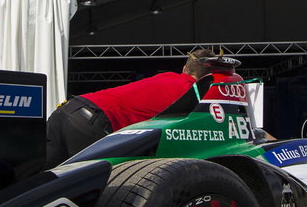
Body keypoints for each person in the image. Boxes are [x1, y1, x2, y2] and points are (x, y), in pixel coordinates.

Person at [47, 47, 216, 162]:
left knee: (41, 190)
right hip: (90, 124)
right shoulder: (194, 94)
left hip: (66, 111)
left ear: (185, 67)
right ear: (210, 75)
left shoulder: (165, 77)